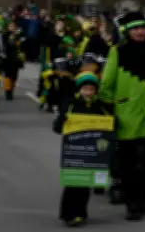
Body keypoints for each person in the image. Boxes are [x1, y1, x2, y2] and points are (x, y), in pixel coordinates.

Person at [99, 11, 145, 221]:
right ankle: (134, 203)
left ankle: (140, 196)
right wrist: (107, 108)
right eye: (136, 28)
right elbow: (107, 82)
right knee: (129, 162)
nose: (141, 31)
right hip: (127, 113)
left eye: (143, 27)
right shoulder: (118, 51)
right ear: (127, 31)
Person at [54, 71, 110, 227]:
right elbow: (58, 126)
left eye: (92, 89)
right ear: (79, 89)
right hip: (75, 151)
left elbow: (109, 123)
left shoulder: (100, 106)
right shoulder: (71, 104)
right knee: (72, 183)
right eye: (85, 89)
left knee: (86, 185)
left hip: (92, 153)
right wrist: (63, 121)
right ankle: (68, 214)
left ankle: (81, 213)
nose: (88, 93)